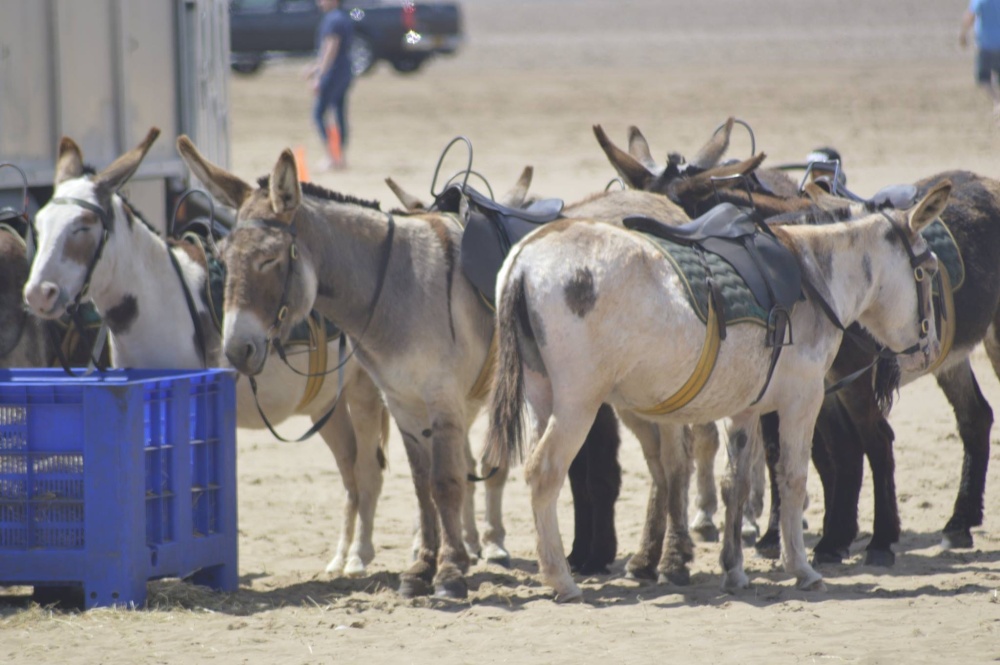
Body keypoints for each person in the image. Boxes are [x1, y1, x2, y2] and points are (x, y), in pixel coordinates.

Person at [308, 0, 355, 171]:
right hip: (344, 71)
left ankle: (332, 157)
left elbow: (331, 48)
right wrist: (315, 67)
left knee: (319, 114)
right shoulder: (343, 17)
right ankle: (340, 157)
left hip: (333, 73)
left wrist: (319, 75)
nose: (319, 2)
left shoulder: (332, 20)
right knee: (339, 114)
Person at [960, 0, 1000, 118]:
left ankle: (997, 101)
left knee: (983, 79)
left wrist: (963, 35)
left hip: (986, 45)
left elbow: (970, 16)